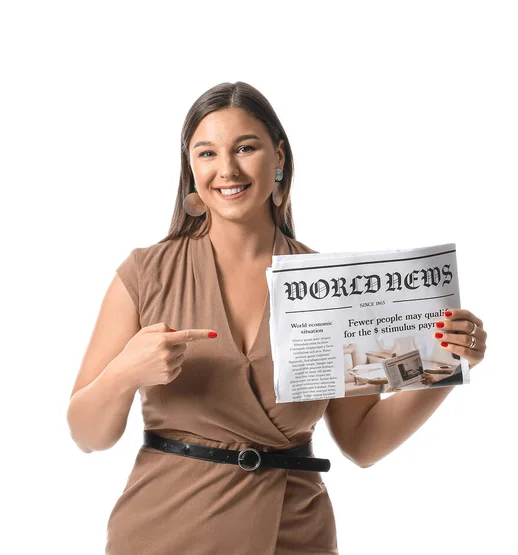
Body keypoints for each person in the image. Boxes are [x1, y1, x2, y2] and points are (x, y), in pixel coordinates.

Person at [66, 81, 487, 554]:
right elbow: (86, 435)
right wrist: (124, 374)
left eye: (245, 148)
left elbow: (362, 441)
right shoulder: (146, 274)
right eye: (207, 153)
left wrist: (444, 367)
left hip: (294, 536)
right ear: (190, 169)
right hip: (165, 532)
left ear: (279, 157)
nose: (226, 169)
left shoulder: (330, 286)